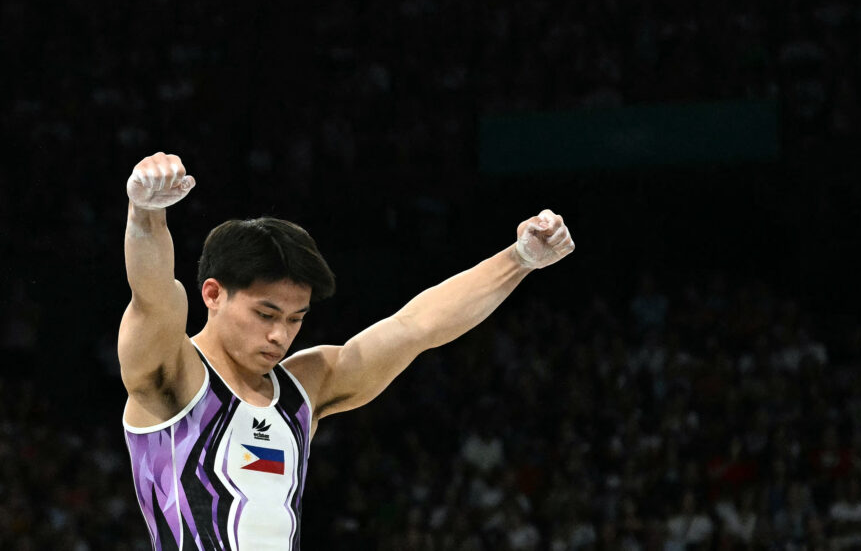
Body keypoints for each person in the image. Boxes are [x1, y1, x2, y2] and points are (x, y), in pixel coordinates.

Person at [118, 152, 575, 550]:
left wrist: (519, 260)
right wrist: (146, 215)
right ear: (214, 294)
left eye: (296, 319)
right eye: (266, 314)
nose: (280, 335)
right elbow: (154, 298)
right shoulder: (173, 380)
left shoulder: (304, 390)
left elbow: (416, 326)